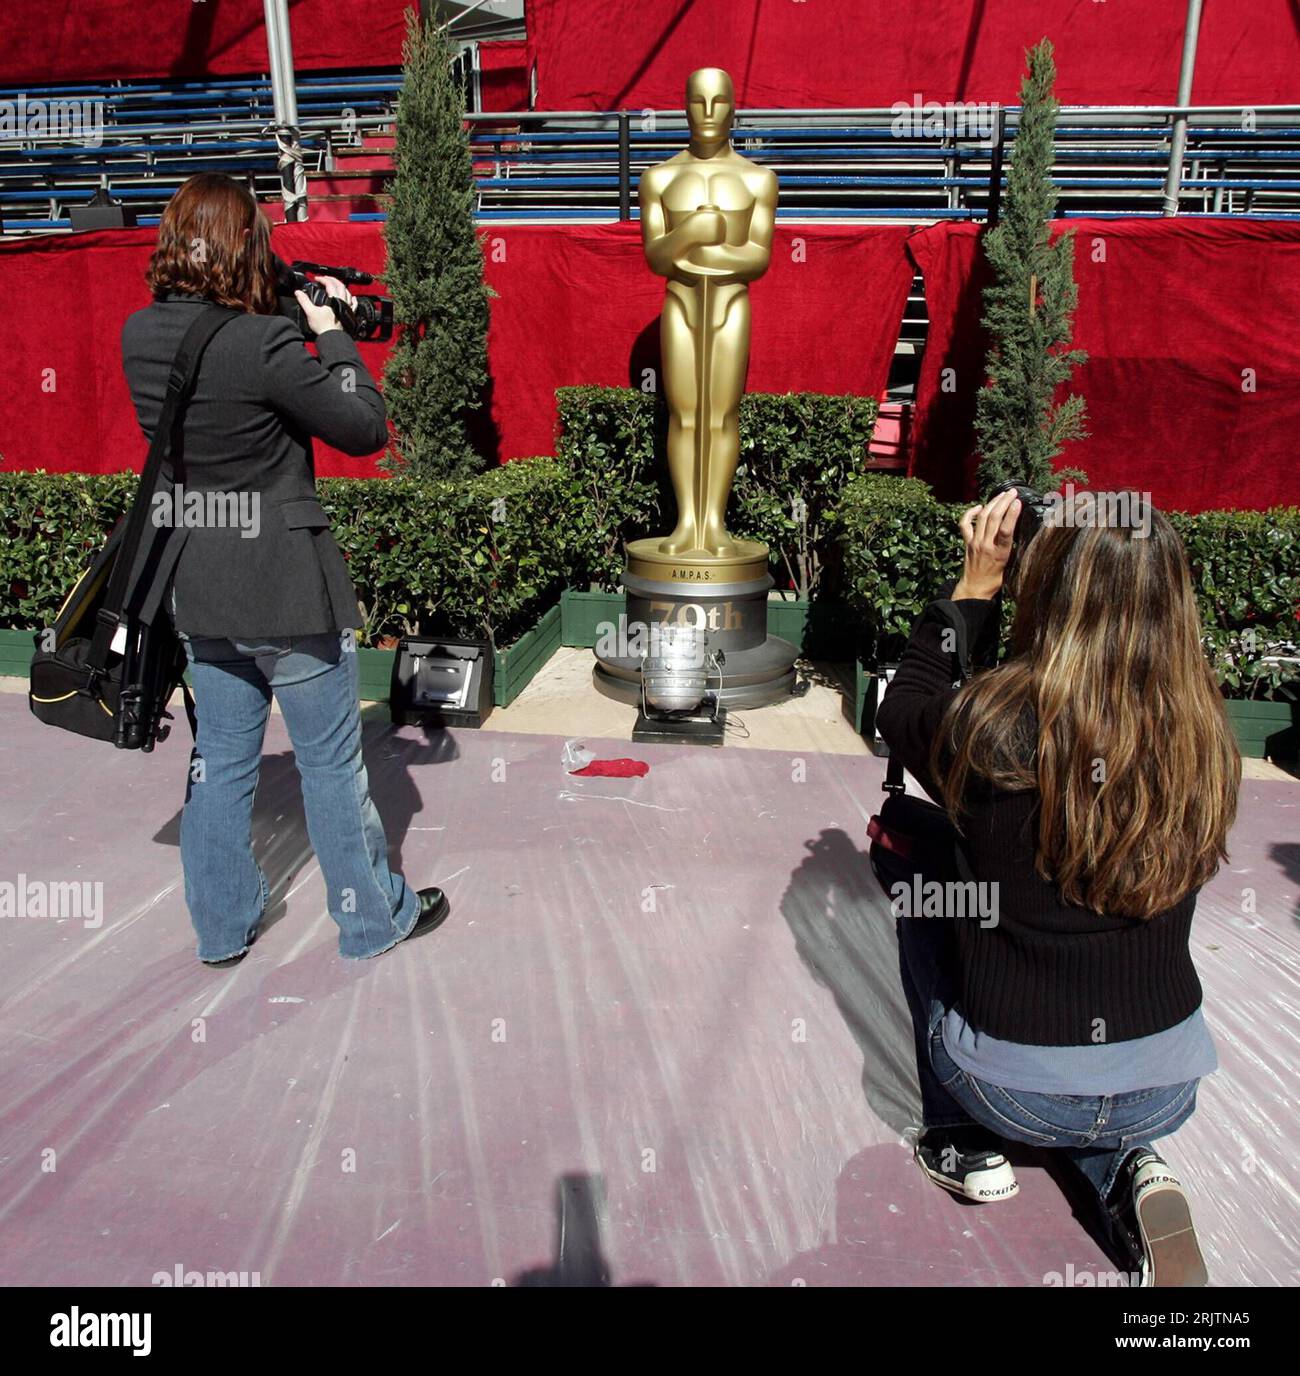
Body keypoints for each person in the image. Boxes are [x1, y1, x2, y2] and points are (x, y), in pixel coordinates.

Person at [877, 486, 1241, 1287]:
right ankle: (1127, 1170)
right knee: (1096, 1086)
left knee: (918, 881)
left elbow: (902, 705)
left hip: (1010, 1092)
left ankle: (959, 1138)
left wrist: (972, 591)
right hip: (1167, 1083)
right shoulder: (1205, 733)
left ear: (1050, 587)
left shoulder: (992, 723)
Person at [120, 172, 447, 967]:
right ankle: (373, 919)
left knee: (219, 766)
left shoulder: (141, 334)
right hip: (288, 592)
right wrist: (332, 332)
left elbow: (218, 370)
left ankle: (222, 926)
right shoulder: (263, 344)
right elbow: (363, 426)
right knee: (331, 768)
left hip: (201, 588)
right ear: (245, 246)